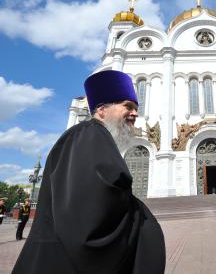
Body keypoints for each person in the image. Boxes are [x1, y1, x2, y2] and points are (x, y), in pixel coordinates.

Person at [13, 70, 165, 274]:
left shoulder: (89, 136)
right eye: (128, 106)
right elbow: (90, 211)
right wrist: (143, 219)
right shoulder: (89, 135)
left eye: (136, 108)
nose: (135, 113)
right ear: (102, 109)